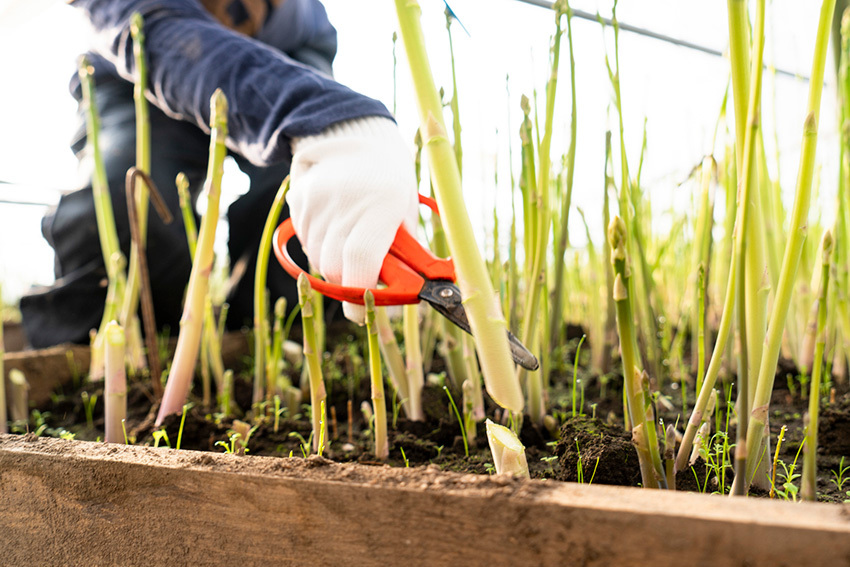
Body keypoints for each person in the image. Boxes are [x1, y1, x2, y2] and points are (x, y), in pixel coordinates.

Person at [20, 0, 419, 348]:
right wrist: (329, 117)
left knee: (303, 210)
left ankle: (271, 340)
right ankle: (108, 351)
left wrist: (329, 126)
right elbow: (158, 30)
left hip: (287, 53)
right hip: (136, 71)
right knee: (125, 214)